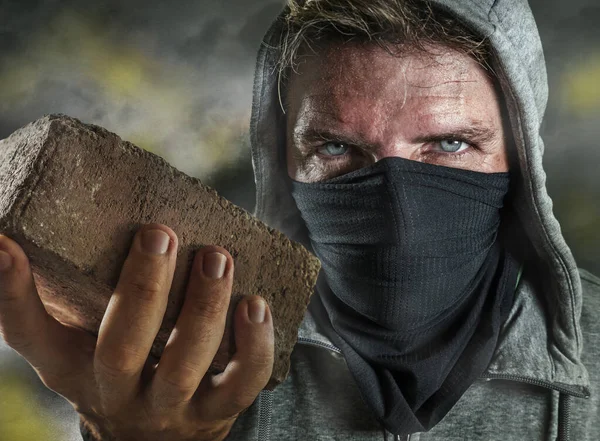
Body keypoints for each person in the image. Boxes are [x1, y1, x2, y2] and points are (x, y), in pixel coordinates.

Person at [0, 0, 598, 440]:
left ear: (520, 157)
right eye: (336, 149)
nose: (397, 199)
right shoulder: (183, 373)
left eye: (447, 143)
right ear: (283, 162)